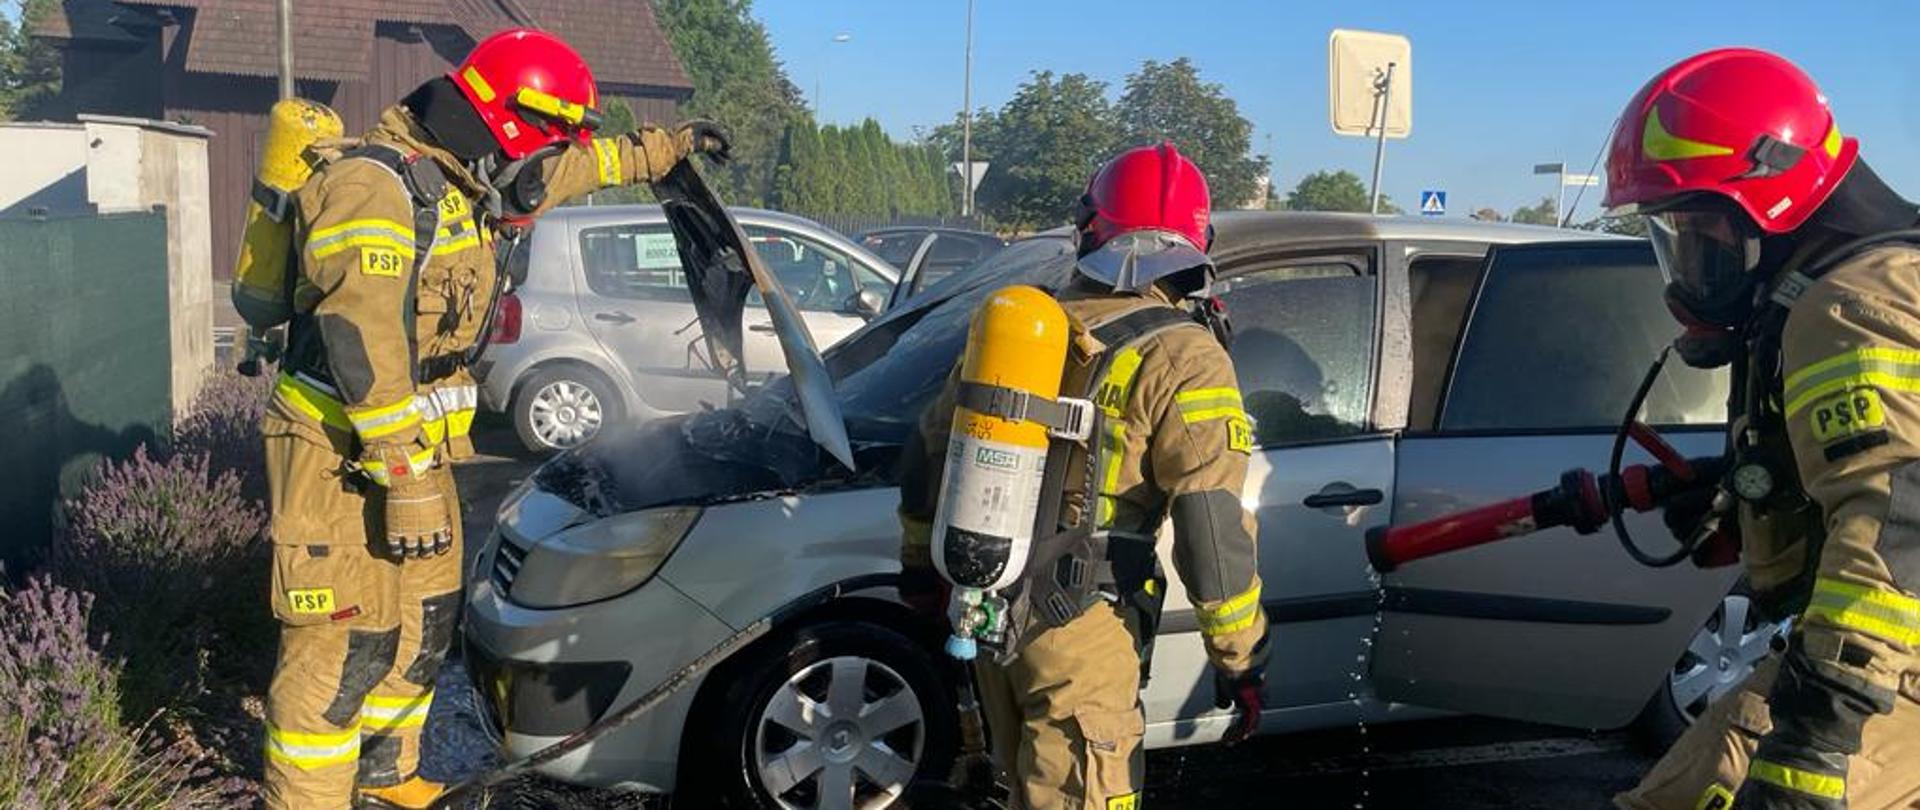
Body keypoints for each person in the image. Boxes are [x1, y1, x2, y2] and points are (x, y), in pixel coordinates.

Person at [259, 28, 729, 810]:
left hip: (412, 453)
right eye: (552, 136)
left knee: (420, 618)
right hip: (337, 453)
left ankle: (386, 777)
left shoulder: (473, 175)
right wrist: (404, 475)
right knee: (339, 647)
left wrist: (664, 147)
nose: (555, 161)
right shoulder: (375, 187)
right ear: (512, 120)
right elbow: (360, 338)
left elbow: (586, 164)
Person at [899, 143, 1271, 809]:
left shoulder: (1026, 331)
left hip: (988, 608)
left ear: (1087, 230)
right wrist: (1240, 658)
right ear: (1197, 240)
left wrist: (921, 570)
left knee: (1015, 789)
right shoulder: (1185, 353)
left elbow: (926, 451)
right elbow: (1210, 528)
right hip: (1083, 628)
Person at [1604, 48, 1920, 810]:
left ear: (1767, 208)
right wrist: (1744, 492)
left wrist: (1815, 741)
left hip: (1887, 668)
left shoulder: (1850, 309)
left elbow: (1900, 529)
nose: (1690, 267)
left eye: (1700, 235)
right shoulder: (1850, 276)